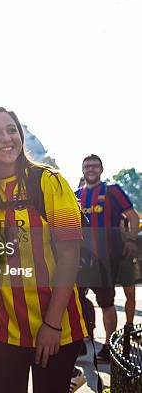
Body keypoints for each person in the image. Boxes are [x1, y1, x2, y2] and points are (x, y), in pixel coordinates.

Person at [0, 106, 87, 392]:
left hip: (58, 326)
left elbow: (70, 256)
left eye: (12, 130)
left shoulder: (49, 182)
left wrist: (52, 325)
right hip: (1, 330)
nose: (6, 138)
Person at [75, 154, 139, 361]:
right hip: (80, 261)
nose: (90, 170)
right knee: (75, 301)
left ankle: (109, 347)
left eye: (95, 166)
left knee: (106, 303)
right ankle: (81, 342)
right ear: (82, 170)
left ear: (101, 169)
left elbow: (132, 216)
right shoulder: (76, 195)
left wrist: (130, 241)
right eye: (87, 166)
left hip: (105, 260)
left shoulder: (112, 192)